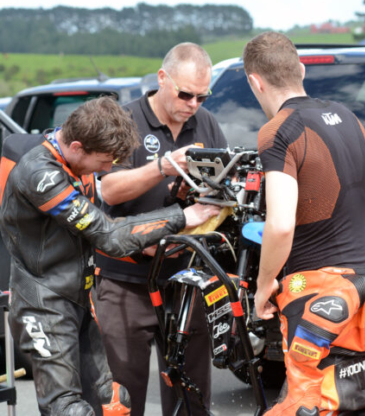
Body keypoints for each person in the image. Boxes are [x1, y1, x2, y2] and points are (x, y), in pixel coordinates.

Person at [244, 31, 365, 416]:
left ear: (254, 81)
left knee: (310, 403)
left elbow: (279, 225)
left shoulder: (277, 132)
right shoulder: (348, 116)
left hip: (316, 294)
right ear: (302, 70)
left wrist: (263, 288)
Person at [0, 97, 219, 415]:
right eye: (105, 161)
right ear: (77, 146)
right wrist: (183, 217)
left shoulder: (72, 153)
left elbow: (95, 232)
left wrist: (144, 240)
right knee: (68, 408)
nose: (107, 170)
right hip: (43, 305)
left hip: (79, 298)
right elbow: (109, 235)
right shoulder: (40, 174)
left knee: (113, 401)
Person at [94, 42, 227, 416]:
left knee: (192, 396)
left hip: (186, 279)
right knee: (124, 395)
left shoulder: (207, 123)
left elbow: (220, 193)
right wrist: (162, 168)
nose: (194, 104)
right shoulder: (125, 120)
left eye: (203, 96)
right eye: (186, 94)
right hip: (127, 280)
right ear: (162, 79)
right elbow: (107, 188)